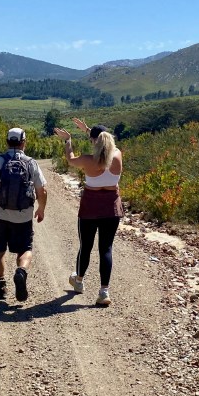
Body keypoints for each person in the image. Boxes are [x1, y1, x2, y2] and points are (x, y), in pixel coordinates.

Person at [53, 118, 123, 307]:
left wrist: (68, 140)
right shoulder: (117, 155)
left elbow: (69, 159)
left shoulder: (87, 160)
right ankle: (104, 291)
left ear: (93, 141)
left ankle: (79, 280)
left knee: (86, 246)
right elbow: (103, 142)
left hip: (90, 208)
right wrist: (89, 130)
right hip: (111, 208)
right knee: (106, 249)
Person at [0, 127, 47, 302]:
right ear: (23, 142)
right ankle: (21, 271)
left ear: (7, 142)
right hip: (23, 217)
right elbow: (42, 190)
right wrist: (41, 209)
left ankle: (0, 286)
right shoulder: (31, 163)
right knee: (25, 248)